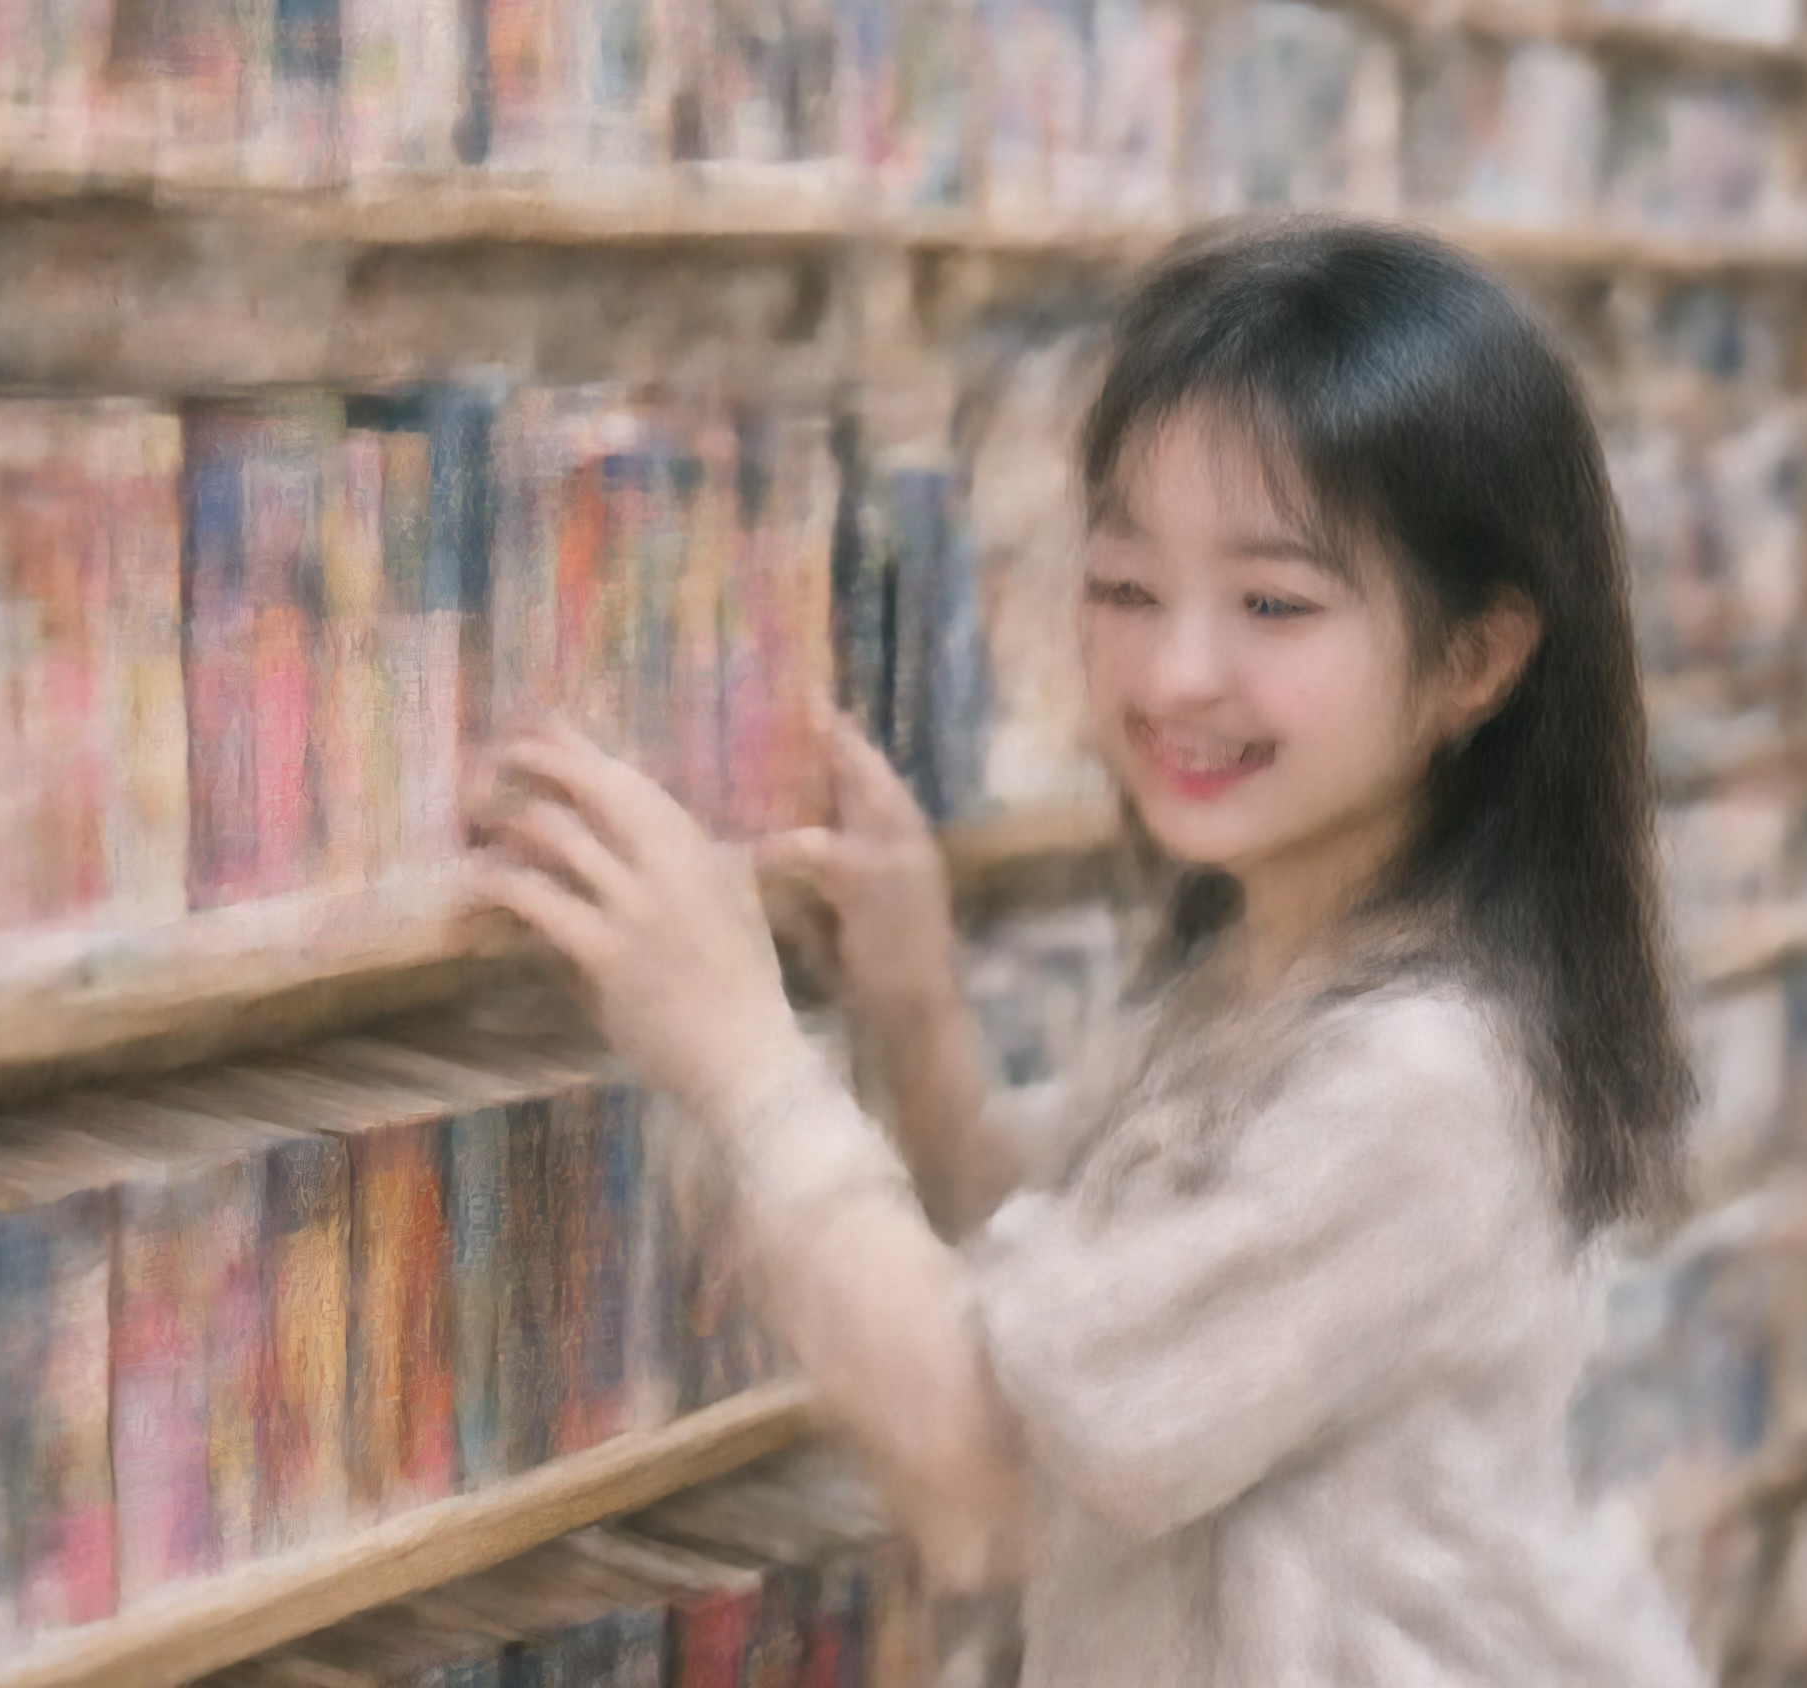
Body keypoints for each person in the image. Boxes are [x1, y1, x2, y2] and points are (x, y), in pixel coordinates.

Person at [465, 217, 1708, 1686]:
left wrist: (741, 1054)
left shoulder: (1423, 1080)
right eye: (1125, 588)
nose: (1174, 674)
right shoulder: (1272, 954)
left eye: (1274, 604)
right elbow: (1071, 1310)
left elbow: (995, 1474)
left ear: (1478, 658)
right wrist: (915, 1007)